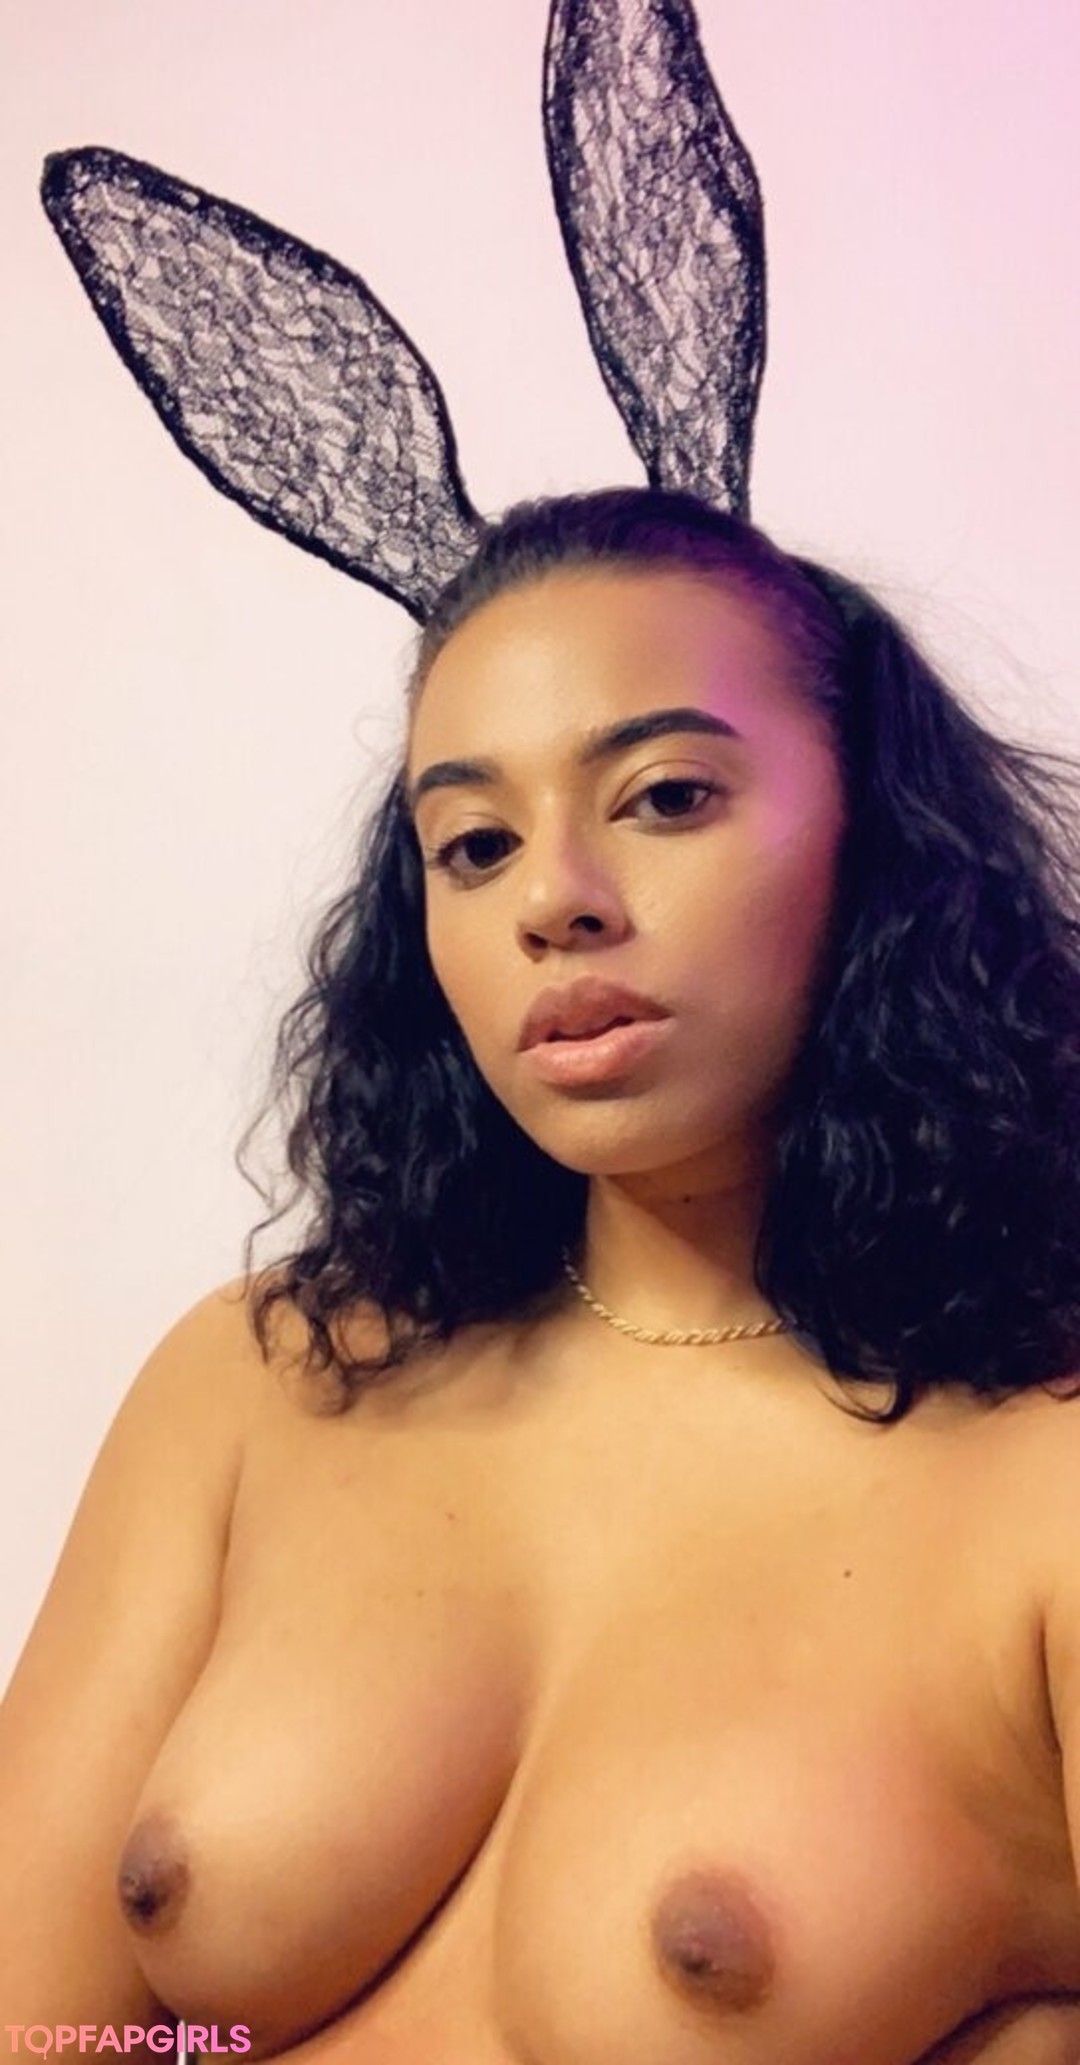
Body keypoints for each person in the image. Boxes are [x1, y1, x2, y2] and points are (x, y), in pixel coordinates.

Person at [2, 487, 1080, 2062]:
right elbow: (41, 2033)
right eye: (475, 843)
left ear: (877, 837)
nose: (552, 896)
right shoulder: (256, 1381)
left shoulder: (1043, 1480)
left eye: (664, 797)